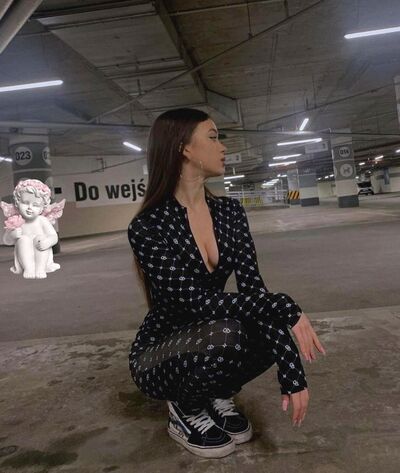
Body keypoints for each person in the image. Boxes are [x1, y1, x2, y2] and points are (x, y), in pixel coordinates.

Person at [127, 108, 326, 458]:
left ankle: (215, 392)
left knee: (264, 329)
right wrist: (285, 305)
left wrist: (291, 370)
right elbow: (197, 303)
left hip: (212, 334)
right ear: (184, 148)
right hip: (159, 355)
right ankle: (185, 409)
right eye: (213, 137)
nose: (222, 147)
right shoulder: (148, 226)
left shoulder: (230, 213)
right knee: (229, 332)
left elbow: (253, 291)